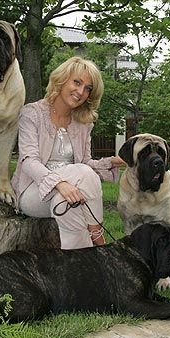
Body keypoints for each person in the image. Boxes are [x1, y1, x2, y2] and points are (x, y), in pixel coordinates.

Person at [11, 56, 124, 249]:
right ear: (62, 79)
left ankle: (79, 264)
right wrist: (60, 183)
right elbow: (29, 161)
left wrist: (109, 162)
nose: (81, 92)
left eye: (88, 88)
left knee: (68, 204)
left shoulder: (84, 122)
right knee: (78, 179)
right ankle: (99, 239)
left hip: (69, 191)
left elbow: (85, 163)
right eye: (77, 82)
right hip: (33, 191)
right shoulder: (32, 113)